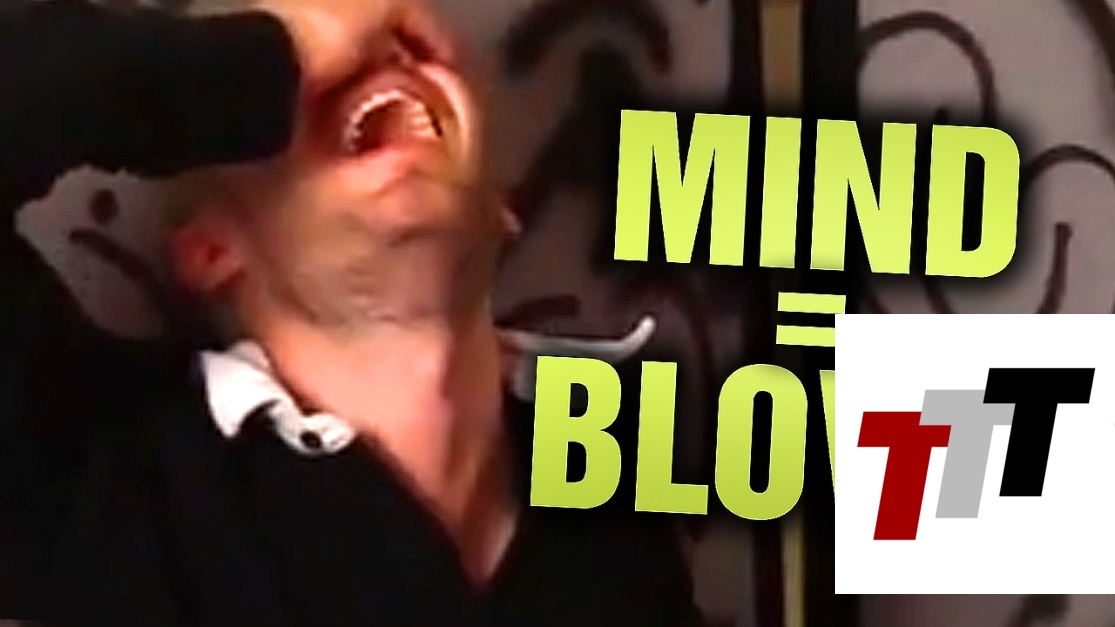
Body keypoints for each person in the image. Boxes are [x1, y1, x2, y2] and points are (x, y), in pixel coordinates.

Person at [0, 0, 706, 625]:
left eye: (412, 47)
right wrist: (273, 55)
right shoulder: (112, 481)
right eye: (327, 73)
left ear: (501, 210)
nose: (378, 58)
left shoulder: (613, 499)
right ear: (211, 249)